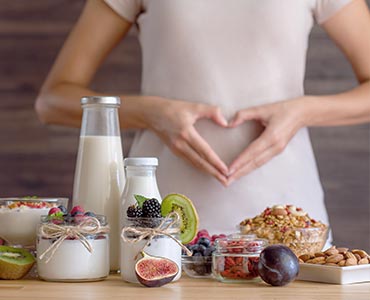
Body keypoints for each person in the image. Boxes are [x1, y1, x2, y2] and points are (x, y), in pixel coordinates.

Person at [35, 0, 370, 236]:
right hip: (157, 229)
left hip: (291, 228)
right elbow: (53, 100)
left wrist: (301, 111)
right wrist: (152, 113)